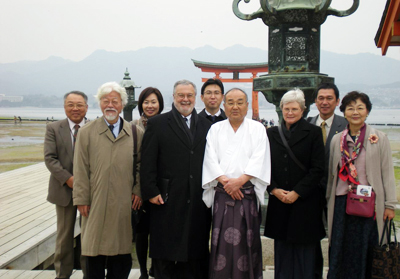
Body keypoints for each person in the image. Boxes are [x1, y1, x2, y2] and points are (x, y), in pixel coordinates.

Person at [140, 79, 212, 279]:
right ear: (174, 97)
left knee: (194, 252)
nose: (185, 99)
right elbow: (147, 162)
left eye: (189, 95)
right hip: (166, 198)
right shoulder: (158, 123)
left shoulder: (207, 126)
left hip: (197, 198)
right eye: (181, 95)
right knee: (165, 253)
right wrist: (151, 191)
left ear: (195, 98)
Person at [73, 82, 144, 279]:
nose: (110, 105)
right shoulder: (86, 132)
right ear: (100, 104)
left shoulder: (135, 133)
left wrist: (138, 190)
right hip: (94, 201)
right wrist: (81, 199)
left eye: (115, 101)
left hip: (123, 202)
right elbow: (80, 168)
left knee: (121, 255)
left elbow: (141, 166)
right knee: (92, 251)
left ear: (122, 104)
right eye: (106, 101)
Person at [326, 91, 397, 279]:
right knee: (341, 248)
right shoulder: (337, 140)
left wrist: (390, 205)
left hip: (370, 205)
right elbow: (332, 177)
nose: (355, 112)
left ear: (367, 111)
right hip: (342, 203)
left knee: (366, 249)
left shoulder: (378, 138)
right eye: (350, 108)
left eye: (360, 108)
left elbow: (387, 173)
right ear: (344, 112)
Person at [202, 88, 271, 278]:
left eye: (240, 102)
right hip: (223, 194)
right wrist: (226, 183)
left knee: (247, 242)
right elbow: (210, 159)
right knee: (220, 243)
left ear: (247, 105)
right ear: (224, 106)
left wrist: (239, 181)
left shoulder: (257, 129)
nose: (235, 107)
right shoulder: (216, 129)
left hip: (246, 195)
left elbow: (260, 158)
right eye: (230, 102)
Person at [264, 88, 325, 279]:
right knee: (282, 253)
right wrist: (273, 189)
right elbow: (263, 165)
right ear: (281, 109)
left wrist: (297, 192)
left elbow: (318, 169)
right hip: (279, 200)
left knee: (304, 254)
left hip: (305, 202)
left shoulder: (314, 133)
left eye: (294, 109)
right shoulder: (271, 133)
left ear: (303, 110)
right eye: (286, 108)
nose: (290, 113)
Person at [44, 90, 88, 279]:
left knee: (89, 235)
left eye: (79, 105)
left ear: (86, 107)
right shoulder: (54, 128)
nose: (75, 109)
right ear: (64, 107)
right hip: (63, 189)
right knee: (64, 236)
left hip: (89, 191)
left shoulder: (94, 127)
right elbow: (50, 158)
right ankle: (62, 274)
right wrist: (69, 179)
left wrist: (85, 183)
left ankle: (90, 273)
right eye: (71, 104)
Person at [307, 83, 347, 278]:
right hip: (312, 192)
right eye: (320, 98)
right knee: (313, 237)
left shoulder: (346, 125)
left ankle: (335, 272)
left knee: (337, 236)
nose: (324, 102)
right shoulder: (306, 123)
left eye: (329, 98)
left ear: (337, 101)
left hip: (338, 190)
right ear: (315, 101)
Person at [133, 87, 164, 279]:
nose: (150, 106)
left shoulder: (166, 124)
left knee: (159, 232)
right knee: (141, 232)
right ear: (140, 105)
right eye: (146, 102)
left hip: (159, 186)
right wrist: (136, 189)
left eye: (153, 102)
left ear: (160, 104)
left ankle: (156, 268)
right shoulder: (133, 126)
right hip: (139, 189)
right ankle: (143, 271)